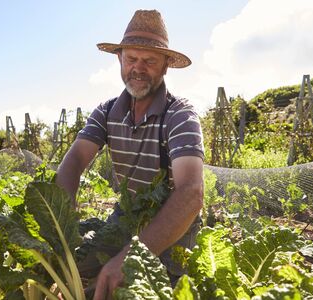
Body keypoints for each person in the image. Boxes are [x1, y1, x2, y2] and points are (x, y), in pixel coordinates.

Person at [56, 9, 204, 300]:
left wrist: (131, 257)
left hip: (173, 224)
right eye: (132, 59)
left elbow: (191, 193)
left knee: (140, 288)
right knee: (69, 264)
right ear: (119, 59)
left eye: (149, 61)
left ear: (165, 67)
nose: (138, 68)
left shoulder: (180, 115)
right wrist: (60, 218)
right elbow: (73, 162)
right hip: (126, 216)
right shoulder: (107, 111)